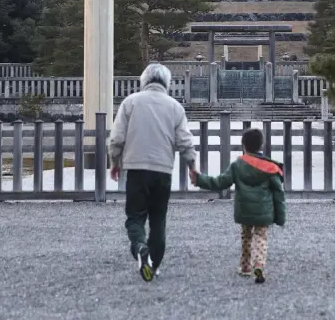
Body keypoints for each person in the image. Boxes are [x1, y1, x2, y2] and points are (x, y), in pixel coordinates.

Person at [107, 63, 197, 282]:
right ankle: (154, 264)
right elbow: (184, 140)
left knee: (135, 217)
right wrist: (192, 165)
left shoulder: (131, 102)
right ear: (166, 82)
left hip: (136, 169)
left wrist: (114, 161)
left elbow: (117, 138)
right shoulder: (175, 107)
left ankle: (139, 247)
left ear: (144, 81)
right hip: (163, 170)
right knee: (158, 219)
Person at [189, 128, 286, 284]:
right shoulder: (270, 167)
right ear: (261, 145)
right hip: (264, 211)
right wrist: (280, 217)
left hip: (245, 210)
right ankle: (259, 264)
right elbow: (279, 194)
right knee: (260, 237)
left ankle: (246, 266)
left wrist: (199, 179)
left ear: (244, 146)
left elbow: (220, 182)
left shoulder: (238, 165)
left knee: (246, 237)